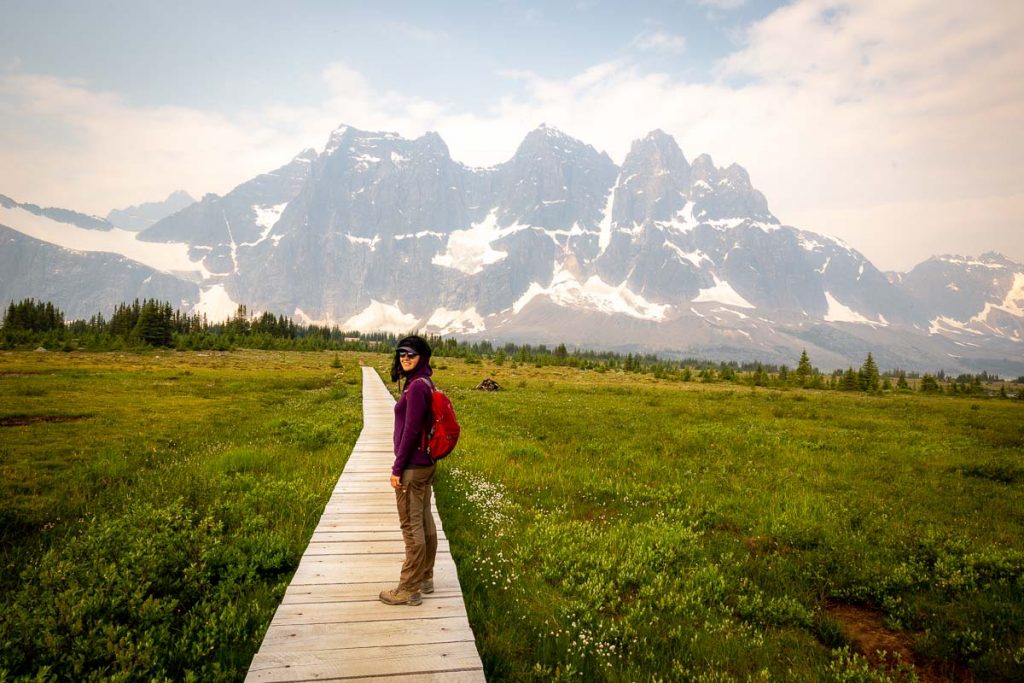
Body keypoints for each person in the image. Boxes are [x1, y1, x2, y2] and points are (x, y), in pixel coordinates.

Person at [379, 334, 438, 606]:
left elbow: (412, 431)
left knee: (411, 526)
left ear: (421, 357)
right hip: (425, 465)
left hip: (412, 468)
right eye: (401, 353)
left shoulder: (415, 388)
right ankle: (425, 577)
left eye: (411, 354)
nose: (405, 358)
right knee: (424, 521)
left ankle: (409, 588)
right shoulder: (424, 382)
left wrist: (397, 468)